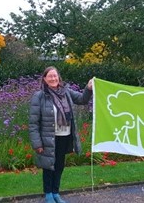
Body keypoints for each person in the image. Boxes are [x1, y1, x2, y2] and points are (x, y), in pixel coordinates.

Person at [29, 67, 94, 203]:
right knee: (49, 166)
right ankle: (48, 195)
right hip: (48, 137)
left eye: (55, 76)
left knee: (59, 165)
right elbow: (33, 123)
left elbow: (82, 99)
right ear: (45, 79)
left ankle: (56, 193)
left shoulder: (66, 92)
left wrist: (88, 88)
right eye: (50, 76)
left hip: (64, 135)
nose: (53, 79)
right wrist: (37, 143)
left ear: (59, 77)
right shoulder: (39, 96)